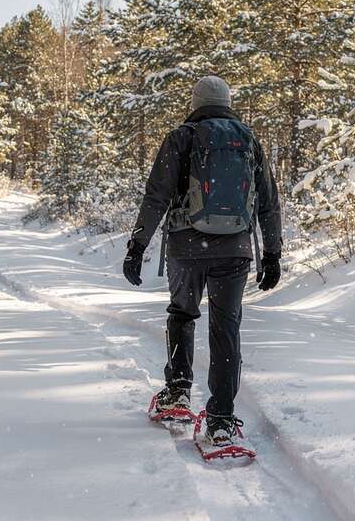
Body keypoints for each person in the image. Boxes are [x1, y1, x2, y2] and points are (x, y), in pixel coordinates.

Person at [122, 75, 282, 448]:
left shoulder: (181, 137)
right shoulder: (249, 140)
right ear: (228, 101)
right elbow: (269, 202)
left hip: (186, 247)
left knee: (182, 314)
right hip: (235, 251)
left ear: (195, 103)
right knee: (226, 329)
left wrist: (137, 246)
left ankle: (178, 392)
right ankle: (222, 419)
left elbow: (156, 196)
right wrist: (272, 254)